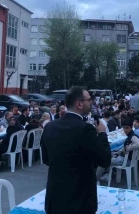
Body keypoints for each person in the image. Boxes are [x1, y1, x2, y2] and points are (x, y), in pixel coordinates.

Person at [41, 86, 111, 214]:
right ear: (79, 104)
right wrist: (101, 134)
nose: (92, 103)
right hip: (79, 200)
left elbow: (46, 159)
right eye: (89, 100)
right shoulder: (85, 129)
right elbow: (105, 160)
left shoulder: (50, 126)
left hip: (55, 196)